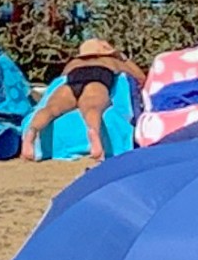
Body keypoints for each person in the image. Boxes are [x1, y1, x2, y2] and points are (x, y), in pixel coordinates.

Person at [23, 37, 142, 166]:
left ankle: (32, 131)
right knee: (92, 108)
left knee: (51, 108)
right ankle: (94, 133)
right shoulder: (111, 60)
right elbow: (139, 77)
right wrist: (121, 57)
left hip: (74, 78)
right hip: (98, 76)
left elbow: (62, 78)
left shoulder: (74, 63)